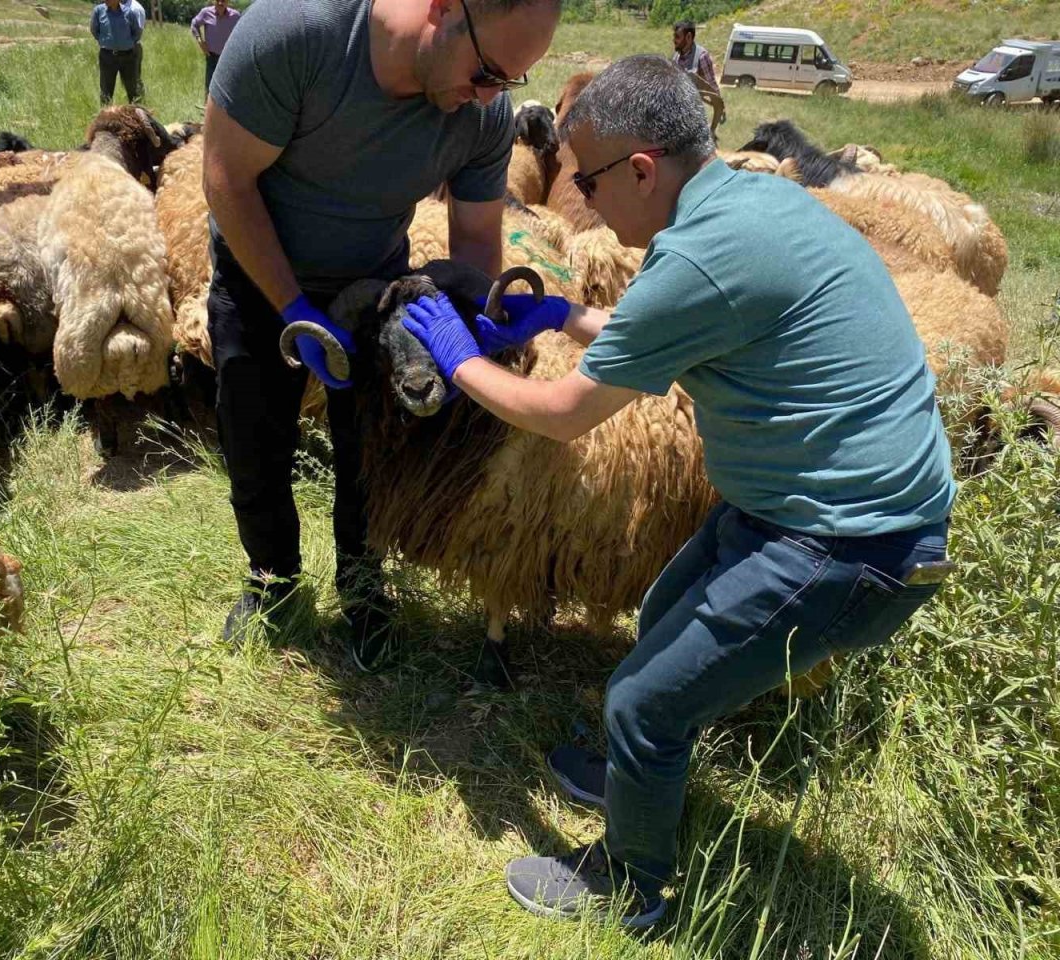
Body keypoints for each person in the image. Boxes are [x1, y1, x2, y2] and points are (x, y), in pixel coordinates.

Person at [400, 55, 956, 928]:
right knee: (661, 616)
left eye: (587, 177)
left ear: (643, 170)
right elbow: (675, 325)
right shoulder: (755, 205)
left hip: (854, 544)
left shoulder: (699, 257)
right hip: (809, 505)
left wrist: (458, 356)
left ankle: (633, 886)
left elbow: (559, 414)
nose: (581, 193)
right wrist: (562, 315)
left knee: (645, 698)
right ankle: (637, 777)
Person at [201, 0, 560, 669]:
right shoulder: (297, 36)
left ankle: (364, 588)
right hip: (260, 279)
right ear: (443, 10)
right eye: (485, 72)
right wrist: (293, 307)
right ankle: (272, 580)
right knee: (256, 444)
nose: (486, 98)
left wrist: (477, 325)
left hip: (375, 292)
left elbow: (477, 235)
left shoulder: (479, 112)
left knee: (371, 450)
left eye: (506, 84)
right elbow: (226, 178)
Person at [91, 0, 143, 105]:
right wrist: (105, 41)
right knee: (106, 93)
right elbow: (94, 30)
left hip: (128, 57)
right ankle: (106, 118)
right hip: (107, 57)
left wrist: (127, 44)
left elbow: (137, 32)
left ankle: (136, 117)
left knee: (133, 91)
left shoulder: (129, 13)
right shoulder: (98, 11)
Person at [190, 0, 240, 100]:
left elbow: (243, 30)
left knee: (226, 86)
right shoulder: (206, 13)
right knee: (209, 85)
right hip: (211, 56)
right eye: (218, 0)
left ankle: (222, 112)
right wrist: (200, 42)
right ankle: (207, 110)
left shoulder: (235, 16)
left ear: (228, 2)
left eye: (224, 1)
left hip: (227, 57)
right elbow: (194, 24)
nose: (220, 3)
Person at [671, 18, 717, 92]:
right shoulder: (676, 58)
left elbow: (712, 90)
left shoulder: (701, 57)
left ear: (688, 37)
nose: (674, 40)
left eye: (677, 37)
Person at [126, 0, 147, 102]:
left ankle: (138, 103)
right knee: (131, 78)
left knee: (134, 79)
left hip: (132, 47)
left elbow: (138, 31)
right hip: (126, 46)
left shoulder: (135, 8)